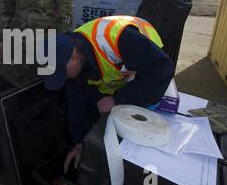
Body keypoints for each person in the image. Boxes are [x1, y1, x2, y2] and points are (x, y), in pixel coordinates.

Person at [43, 15, 175, 173]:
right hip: (117, 76)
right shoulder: (71, 59)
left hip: (149, 60)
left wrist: (119, 100)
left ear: (74, 57)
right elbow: (76, 105)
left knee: (136, 123)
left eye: (62, 73)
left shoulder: (118, 38)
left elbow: (161, 69)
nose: (63, 78)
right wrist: (80, 143)